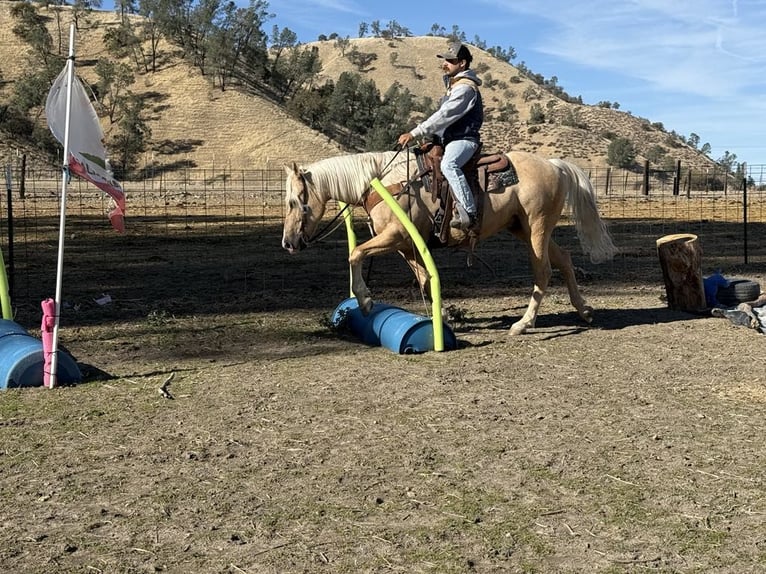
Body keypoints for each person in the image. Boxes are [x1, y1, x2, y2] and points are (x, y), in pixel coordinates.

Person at [398, 42, 484, 231]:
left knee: (448, 164)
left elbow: (444, 116)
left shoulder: (465, 88)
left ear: (462, 63)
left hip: (463, 140)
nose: (445, 63)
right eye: (445, 60)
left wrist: (415, 133)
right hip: (450, 140)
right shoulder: (454, 86)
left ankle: (469, 213)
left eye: (450, 60)